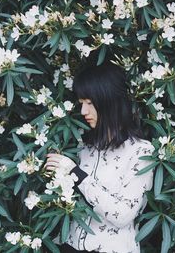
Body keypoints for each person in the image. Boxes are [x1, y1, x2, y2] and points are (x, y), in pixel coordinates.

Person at [45, 62, 154, 253]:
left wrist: (75, 173)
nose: (83, 112)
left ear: (108, 101)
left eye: (89, 103)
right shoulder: (85, 148)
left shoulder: (140, 152)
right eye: (81, 104)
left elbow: (123, 215)